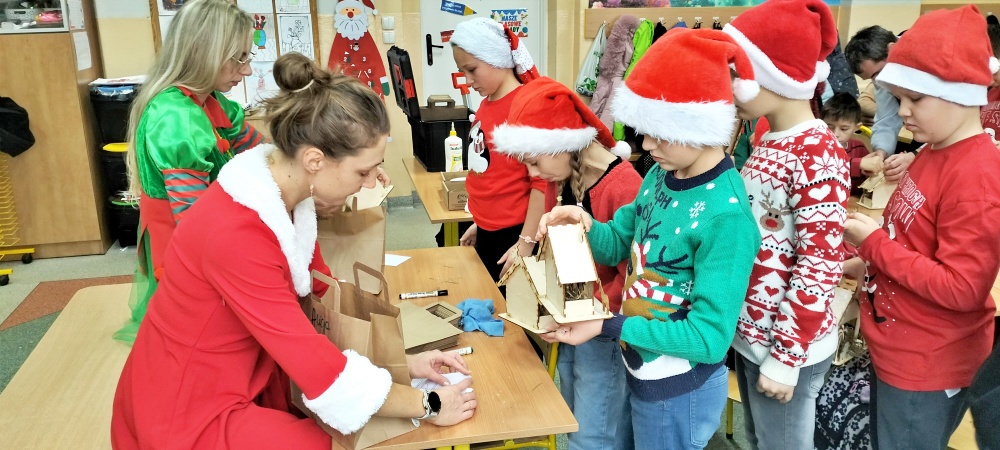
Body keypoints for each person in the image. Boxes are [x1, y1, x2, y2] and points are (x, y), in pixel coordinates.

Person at [111, 53, 477, 449]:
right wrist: (428, 403)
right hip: (188, 408)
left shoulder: (286, 200)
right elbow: (313, 362)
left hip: (246, 376)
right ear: (314, 160)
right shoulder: (236, 232)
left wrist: (399, 365)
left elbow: (323, 310)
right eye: (362, 171)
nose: (371, 182)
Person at [538, 28, 762, 450]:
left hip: (679, 389)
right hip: (642, 364)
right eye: (645, 128)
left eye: (661, 131)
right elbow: (618, 243)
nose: (646, 143)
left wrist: (608, 324)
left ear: (699, 123)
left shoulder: (727, 218)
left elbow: (708, 339)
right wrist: (586, 226)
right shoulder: (661, 173)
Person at [841, 6, 1000, 449]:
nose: (903, 112)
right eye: (898, 98)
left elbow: (962, 288)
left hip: (928, 364)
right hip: (901, 347)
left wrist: (874, 244)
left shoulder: (978, 177)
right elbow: (913, 242)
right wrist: (864, 262)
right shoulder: (933, 149)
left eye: (915, 99)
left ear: (961, 93)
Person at [722, 1, 851, 448]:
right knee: (760, 439)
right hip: (755, 334)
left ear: (771, 75)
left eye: (737, 74)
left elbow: (820, 263)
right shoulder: (768, 139)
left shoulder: (817, 152)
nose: (730, 86)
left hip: (787, 346)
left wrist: (786, 357)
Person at [489, 76, 640, 450]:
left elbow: (633, 278)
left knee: (594, 431)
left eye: (535, 162)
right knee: (573, 407)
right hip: (572, 316)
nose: (533, 175)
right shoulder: (563, 176)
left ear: (564, 144)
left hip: (603, 327)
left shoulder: (623, 186)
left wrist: (592, 313)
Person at [114, 0, 268, 344]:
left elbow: (262, 152)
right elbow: (195, 223)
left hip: (206, 231)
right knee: (200, 332)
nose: (246, 71)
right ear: (204, 52)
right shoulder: (176, 116)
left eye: (248, 57)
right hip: (185, 245)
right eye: (239, 58)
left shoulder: (209, 100)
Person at [449, 17, 546, 284]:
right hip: (490, 231)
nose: (468, 80)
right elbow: (494, 171)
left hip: (515, 235)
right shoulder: (488, 102)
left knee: (509, 306)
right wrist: (481, 225)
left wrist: (525, 244)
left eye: (472, 69)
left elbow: (542, 184)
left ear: (495, 58)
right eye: (463, 71)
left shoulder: (525, 106)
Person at [844, 26, 911, 183]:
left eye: (878, 74)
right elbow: (886, 119)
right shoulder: (883, 73)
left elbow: (951, 127)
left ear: (892, 49)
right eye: (872, 79)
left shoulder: (930, 57)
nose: (879, 81)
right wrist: (881, 152)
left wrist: (915, 156)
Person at [821, 92, 882, 194]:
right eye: (829, 127)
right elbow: (830, 166)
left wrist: (869, 172)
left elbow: (868, 179)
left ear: (856, 127)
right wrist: (859, 164)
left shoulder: (859, 148)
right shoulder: (820, 148)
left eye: (844, 129)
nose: (835, 134)